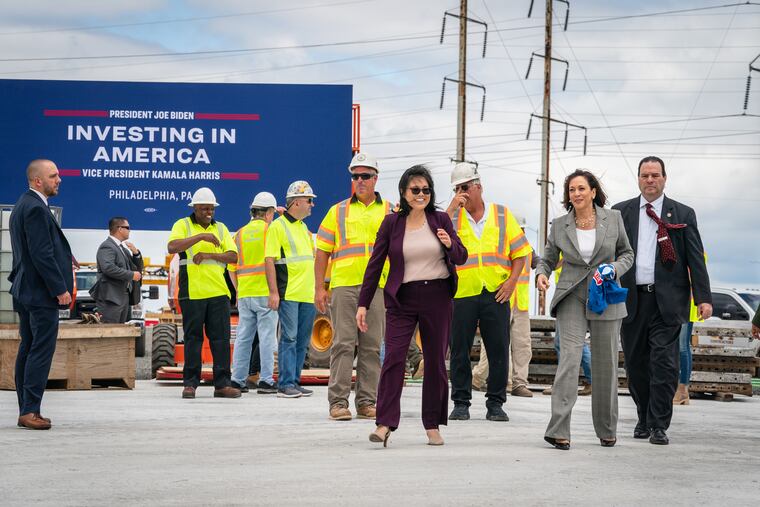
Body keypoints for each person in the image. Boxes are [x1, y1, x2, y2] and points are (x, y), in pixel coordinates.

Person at [358, 165, 467, 447]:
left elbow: (461, 256)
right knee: (394, 358)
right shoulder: (392, 224)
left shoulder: (441, 219)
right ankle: (384, 424)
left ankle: (432, 426)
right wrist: (363, 304)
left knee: (434, 364)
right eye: (415, 190)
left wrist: (448, 243)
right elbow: (375, 265)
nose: (421, 194)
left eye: (426, 190)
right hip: (402, 299)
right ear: (404, 194)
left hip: (437, 297)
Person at [613, 156, 711, 445]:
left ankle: (659, 424)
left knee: (664, 363)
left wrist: (703, 298)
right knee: (635, 363)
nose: (650, 180)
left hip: (668, 301)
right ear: (638, 179)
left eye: (655, 175)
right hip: (632, 300)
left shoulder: (682, 213)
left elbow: (695, 257)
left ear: (665, 179)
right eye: (645, 175)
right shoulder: (621, 212)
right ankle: (643, 416)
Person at [536, 169, 634, 450]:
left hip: (605, 293)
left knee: (605, 364)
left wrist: (613, 269)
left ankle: (606, 429)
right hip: (572, 294)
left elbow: (627, 254)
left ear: (593, 191)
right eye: (571, 190)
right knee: (570, 358)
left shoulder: (613, 218)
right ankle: (558, 429)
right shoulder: (559, 225)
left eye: (581, 189)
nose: (576, 194)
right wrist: (541, 274)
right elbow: (547, 258)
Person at [444, 162, 530, 422]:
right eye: (457, 188)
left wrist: (512, 282)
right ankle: (460, 402)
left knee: (498, 349)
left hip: (496, 292)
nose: (462, 192)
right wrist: (450, 208)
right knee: (459, 349)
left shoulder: (502, 215)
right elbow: (433, 235)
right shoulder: (452, 218)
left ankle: (495, 403)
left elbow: (520, 253)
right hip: (462, 293)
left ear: (479, 186)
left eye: (466, 186)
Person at [315, 152, 391, 421]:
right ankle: (337, 402)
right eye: (355, 176)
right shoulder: (338, 211)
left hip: (378, 288)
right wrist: (320, 288)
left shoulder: (390, 210)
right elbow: (323, 250)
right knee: (343, 344)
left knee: (371, 346)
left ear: (375, 178)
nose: (360, 180)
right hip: (345, 286)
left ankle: (367, 402)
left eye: (365, 176)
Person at [9, 159, 73, 430]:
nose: (59, 179)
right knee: (40, 350)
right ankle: (30, 410)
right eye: (53, 176)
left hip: (25, 289)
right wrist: (60, 289)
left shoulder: (23, 204)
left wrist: (65, 256)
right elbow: (40, 254)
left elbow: (40, 247)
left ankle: (26, 407)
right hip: (40, 293)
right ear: (38, 181)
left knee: (28, 346)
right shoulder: (36, 208)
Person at [167, 187, 240, 399]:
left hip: (218, 292)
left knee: (221, 340)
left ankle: (222, 385)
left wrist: (209, 254)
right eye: (204, 209)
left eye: (211, 208)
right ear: (194, 208)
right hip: (192, 293)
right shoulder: (183, 225)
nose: (208, 212)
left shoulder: (222, 228)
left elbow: (233, 256)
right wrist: (201, 237)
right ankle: (190, 384)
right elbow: (172, 246)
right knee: (193, 339)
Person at [265, 180, 317, 399]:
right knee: (289, 338)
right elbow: (269, 260)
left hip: (306, 293)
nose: (312, 205)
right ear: (296, 202)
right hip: (289, 292)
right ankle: (285, 383)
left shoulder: (303, 227)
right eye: (309, 201)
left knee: (302, 341)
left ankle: (294, 381)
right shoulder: (278, 227)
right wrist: (274, 292)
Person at [229, 192, 280, 394]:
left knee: (243, 337)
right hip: (267, 292)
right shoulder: (271, 231)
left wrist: (239, 289)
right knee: (267, 337)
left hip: (245, 293)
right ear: (268, 213)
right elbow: (275, 262)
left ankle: (237, 379)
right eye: (273, 213)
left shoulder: (239, 234)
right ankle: (266, 380)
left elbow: (231, 268)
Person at [471, 242, 536, 398]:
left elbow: (539, 261)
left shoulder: (527, 247)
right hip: (500, 298)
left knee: (523, 345)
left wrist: (542, 273)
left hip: (520, 302)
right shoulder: (498, 245)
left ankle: (519, 383)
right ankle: (478, 378)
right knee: (496, 342)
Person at [542, 255, 593, 397]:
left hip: (572, 294)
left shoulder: (567, 239)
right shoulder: (562, 239)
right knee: (571, 343)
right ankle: (584, 382)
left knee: (568, 343)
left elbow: (561, 262)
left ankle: (566, 385)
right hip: (566, 293)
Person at [92, 217, 143, 323]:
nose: (130, 230)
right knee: (110, 333)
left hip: (122, 298)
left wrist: (136, 254)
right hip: (111, 299)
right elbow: (108, 268)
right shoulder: (107, 246)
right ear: (120, 229)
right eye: (128, 227)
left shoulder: (122, 248)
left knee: (120, 333)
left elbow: (135, 268)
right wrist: (131, 275)